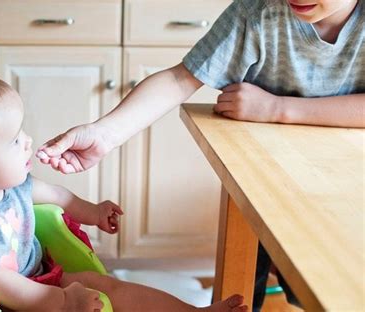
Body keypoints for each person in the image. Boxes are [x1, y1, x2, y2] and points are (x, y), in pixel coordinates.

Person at [36, 0, 364, 310]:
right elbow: (181, 78)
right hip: (264, 179)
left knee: (331, 283)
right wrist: (105, 134)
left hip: (347, 184)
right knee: (255, 279)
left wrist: (278, 108)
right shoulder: (258, 12)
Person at [0, 65, 246, 312]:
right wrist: (63, 303)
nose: (28, 142)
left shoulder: (9, 184)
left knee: (111, 288)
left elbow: (60, 196)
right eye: (14, 140)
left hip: (37, 279)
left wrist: (94, 212)